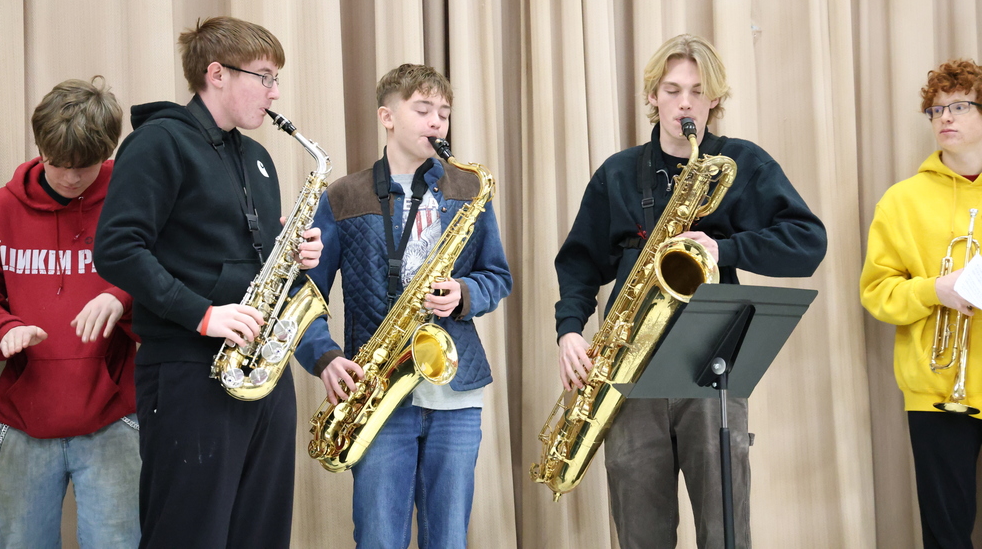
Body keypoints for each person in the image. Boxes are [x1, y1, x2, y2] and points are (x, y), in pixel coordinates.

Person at [553, 34, 827, 549]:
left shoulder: (742, 164)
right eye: (673, 90)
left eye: (698, 92)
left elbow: (809, 243)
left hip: (711, 368)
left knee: (725, 531)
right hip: (628, 373)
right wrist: (569, 331)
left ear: (715, 100)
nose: (685, 103)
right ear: (653, 96)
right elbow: (579, 263)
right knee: (641, 533)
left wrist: (726, 249)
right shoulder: (617, 172)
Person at [93, 17, 323, 548]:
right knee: (188, 535)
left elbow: (243, 254)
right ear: (216, 74)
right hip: (190, 372)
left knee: (261, 534)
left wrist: (293, 255)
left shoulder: (258, 158)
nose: (276, 91)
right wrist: (202, 313)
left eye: (276, 79)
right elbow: (116, 249)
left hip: (262, 372)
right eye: (264, 76)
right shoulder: (158, 143)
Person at [295, 63, 512, 549]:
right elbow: (304, 294)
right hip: (377, 394)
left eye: (444, 112)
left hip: (455, 391)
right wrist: (324, 357)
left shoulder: (469, 188)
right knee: (378, 538)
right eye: (423, 109)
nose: (437, 122)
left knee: (449, 538)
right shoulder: (345, 195)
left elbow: (498, 276)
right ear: (387, 117)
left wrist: (466, 294)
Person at [0, 76, 138, 548]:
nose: (72, 178)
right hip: (23, 419)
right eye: (58, 164)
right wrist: (5, 328)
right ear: (39, 148)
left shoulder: (133, 201)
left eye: (86, 165)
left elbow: (170, 286)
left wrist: (122, 298)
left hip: (115, 417)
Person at [861, 58, 982, 549]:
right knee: (946, 533)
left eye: (958, 106)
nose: (944, 118)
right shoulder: (901, 200)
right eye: (935, 111)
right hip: (936, 391)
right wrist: (936, 290)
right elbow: (876, 291)